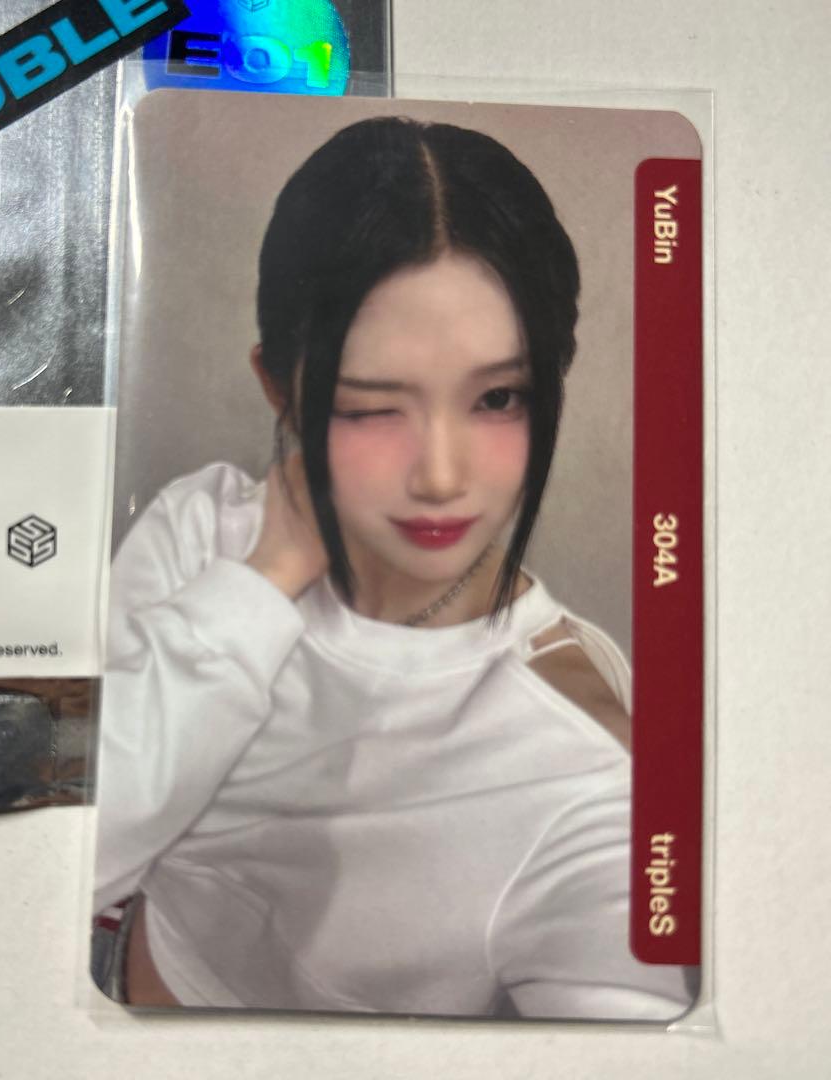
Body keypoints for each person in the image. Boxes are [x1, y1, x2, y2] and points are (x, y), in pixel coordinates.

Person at [92, 116, 692, 1020]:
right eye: (372, 406)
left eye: (500, 397)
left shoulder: (591, 770)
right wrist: (266, 577)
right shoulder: (204, 529)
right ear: (280, 389)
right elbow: (61, 858)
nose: (441, 476)